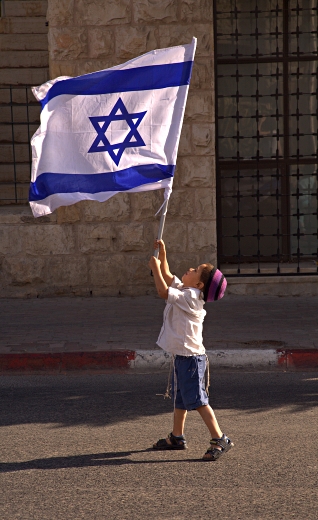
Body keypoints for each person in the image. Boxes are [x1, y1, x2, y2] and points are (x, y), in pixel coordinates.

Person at [148, 239, 234, 461]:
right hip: (183, 356)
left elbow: (162, 290)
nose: (189, 269)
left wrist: (154, 269)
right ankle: (177, 436)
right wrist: (163, 255)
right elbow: (168, 277)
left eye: (195, 270)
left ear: (200, 286)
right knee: (180, 398)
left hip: (191, 359)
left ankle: (220, 438)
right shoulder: (187, 289)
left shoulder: (191, 298)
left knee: (198, 400)